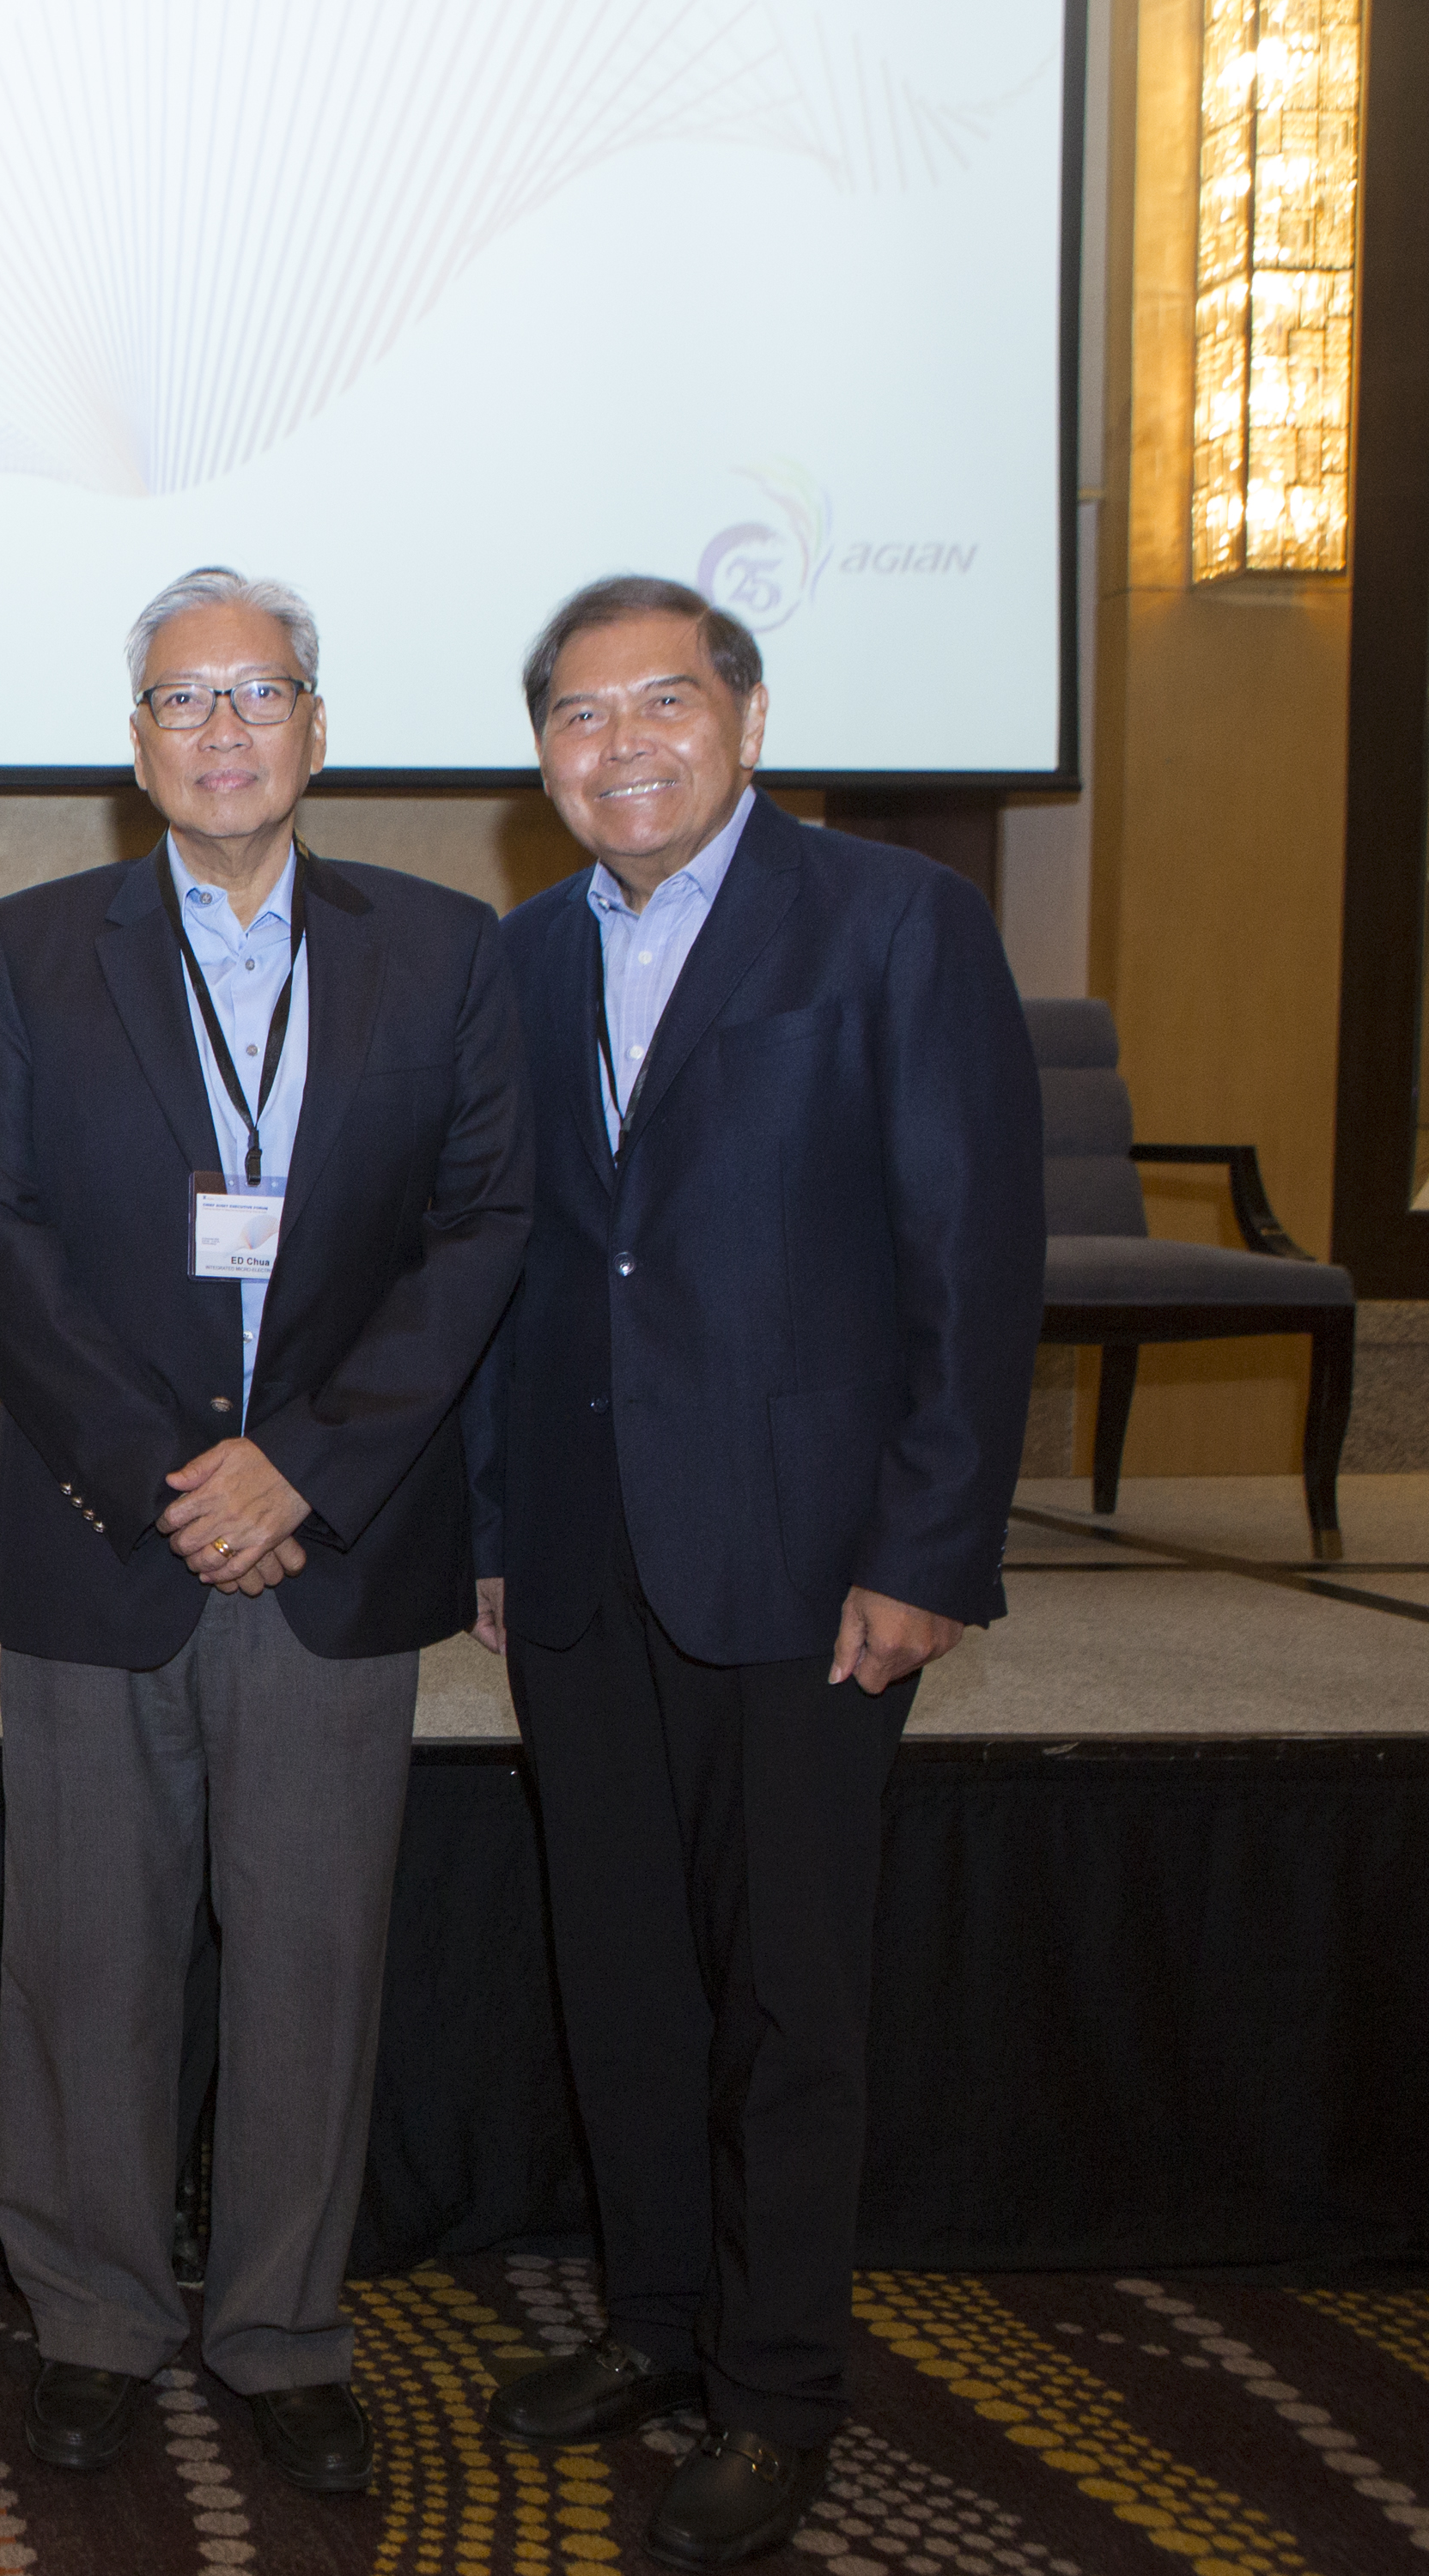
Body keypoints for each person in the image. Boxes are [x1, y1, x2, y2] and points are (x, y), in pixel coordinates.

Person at [0, 569, 531, 2494]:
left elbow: (482, 1233)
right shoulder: (25, 949)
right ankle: (96, 2314)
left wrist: (311, 1469)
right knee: (88, 1959)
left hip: (334, 1546)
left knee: (310, 1955)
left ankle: (281, 2327)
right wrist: (174, 1472)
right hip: (112, 1535)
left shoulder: (447, 951)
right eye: (180, 703)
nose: (220, 732)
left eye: (256, 695)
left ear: (317, 730)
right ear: (136, 746)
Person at [470, 578, 1040, 2568]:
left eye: (662, 703)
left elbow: (973, 1264)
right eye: (576, 715)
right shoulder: (523, 959)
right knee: (620, 1969)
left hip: (814, 1566)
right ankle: (651, 2327)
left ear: (749, 713)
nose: (620, 744)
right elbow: (515, 1275)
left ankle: (780, 2388)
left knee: (792, 1991)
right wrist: (485, 1529)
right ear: (538, 753)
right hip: (578, 1555)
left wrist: (930, 1549)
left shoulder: (896, 924)